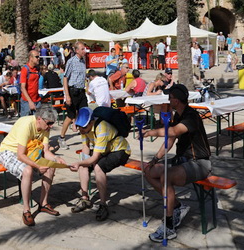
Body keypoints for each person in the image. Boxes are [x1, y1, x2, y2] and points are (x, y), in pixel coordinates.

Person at [141, 84, 211, 242]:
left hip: (199, 163)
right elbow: (170, 140)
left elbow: (173, 132)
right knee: (149, 171)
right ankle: (178, 206)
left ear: (177, 100)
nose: (168, 100)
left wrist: (150, 132)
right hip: (182, 161)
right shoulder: (179, 115)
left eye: (170, 97)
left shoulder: (191, 116)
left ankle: (169, 226)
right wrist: (155, 159)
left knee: (166, 177)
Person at [0, 106, 66, 227]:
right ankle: (26, 210)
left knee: (51, 166)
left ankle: (43, 203)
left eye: (52, 123)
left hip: (30, 152)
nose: (51, 126)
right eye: (49, 123)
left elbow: (46, 151)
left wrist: (56, 159)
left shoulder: (45, 127)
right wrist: (37, 167)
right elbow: (20, 155)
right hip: (9, 152)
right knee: (27, 170)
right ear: (39, 119)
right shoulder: (26, 125)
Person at [69, 107, 131, 221]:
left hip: (120, 150)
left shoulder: (102, 128)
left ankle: (103, 204)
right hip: (104, 149)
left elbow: (94, 158)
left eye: (84, 127)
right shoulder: (84, 129)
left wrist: (80, 162)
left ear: (91, 122)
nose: (81, 129)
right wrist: (82, 162)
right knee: (83, 164)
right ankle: (84, 199)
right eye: (79, 126)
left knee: (98, 167)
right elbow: (85, 147)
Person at [59, 42, 87, 150]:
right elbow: (65, 78)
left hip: (81, 91)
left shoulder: (83, 61)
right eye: (82, 49)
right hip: (72, 91)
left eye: (84, 49)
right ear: (77, 50)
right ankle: (62, 137)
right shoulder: (71, 61)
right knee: (70, 116)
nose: (84, 51)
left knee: (84, 113)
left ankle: (86, 138)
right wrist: (67, 95)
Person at [19, 50, 41, 118]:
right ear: (31, 58)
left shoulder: (37, 69)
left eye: (39, 57)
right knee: (25, 121)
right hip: (27, 101)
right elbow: (22, 87)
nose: (38, 58)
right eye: (36, 57)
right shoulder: (25, 70)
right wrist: (30, 102)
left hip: (37, 100)